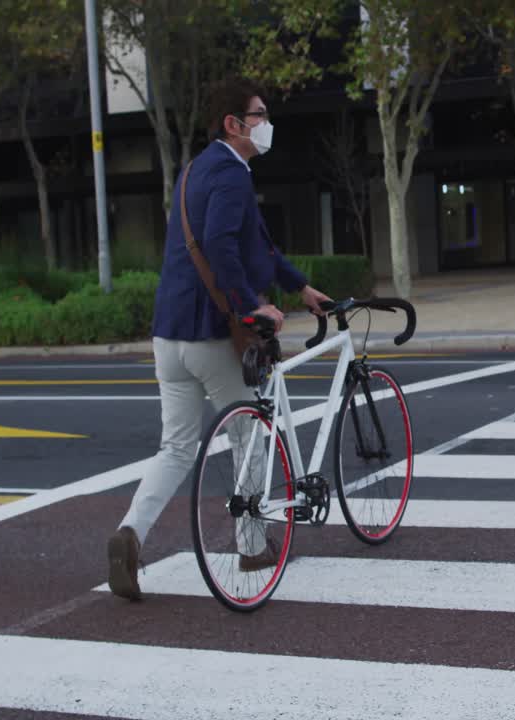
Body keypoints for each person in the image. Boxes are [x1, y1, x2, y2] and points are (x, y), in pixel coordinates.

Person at [107, 78, 332, 601]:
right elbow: (220, 245)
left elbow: (257, 247)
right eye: (260, 114)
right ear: (234, 124)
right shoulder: (231, 175)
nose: (266, 123)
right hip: (212, 332)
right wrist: (253, 306)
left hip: (169, 334)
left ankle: (129, 534)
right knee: (250, 434)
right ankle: (252, 545)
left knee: (176, 446)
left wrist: (299, 287)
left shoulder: (196, 171)